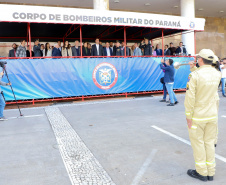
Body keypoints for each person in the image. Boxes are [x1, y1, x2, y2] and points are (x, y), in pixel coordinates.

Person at [185, 49, 221, 182]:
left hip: (198, 116)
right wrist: (194, 68)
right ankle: (210, 172)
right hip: (212, 115)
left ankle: (201, 172)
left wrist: (188, 116)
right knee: (209, 143)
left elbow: (190, 98)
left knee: (198, 144)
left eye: (197, 57)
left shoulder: (195, 76)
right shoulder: (217, 73)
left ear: (200, 59)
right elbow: (205, 79)